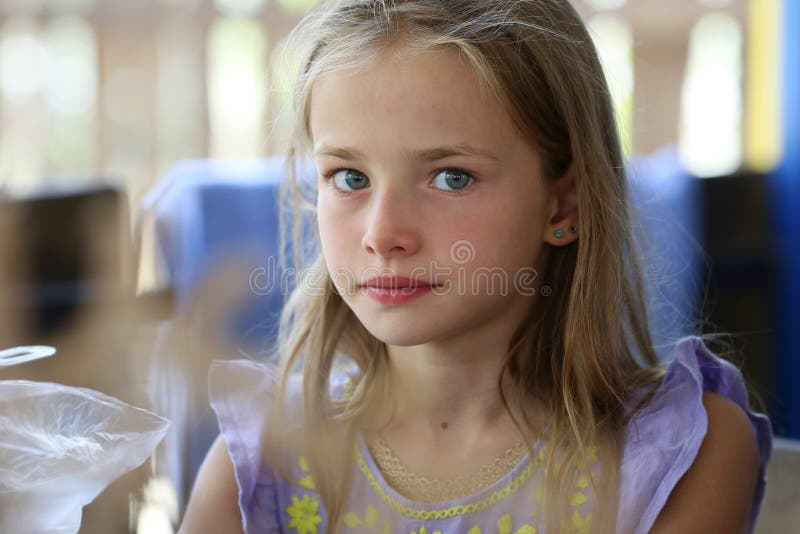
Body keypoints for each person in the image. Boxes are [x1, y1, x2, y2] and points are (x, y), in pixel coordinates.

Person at [179, 1, 772, 532]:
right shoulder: (260, 462)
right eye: (350, 177)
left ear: (563, 203)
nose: (383, 234)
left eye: (451, 177)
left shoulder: (679, 452)